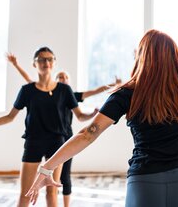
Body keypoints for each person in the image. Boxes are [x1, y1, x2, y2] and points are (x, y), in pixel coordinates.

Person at [25, 0, 178, 207]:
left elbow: (88, 133)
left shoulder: (126, 93)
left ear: (141, 56)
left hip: (144, 179)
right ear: (172, 55)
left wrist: (47, 166)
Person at [0, 47, 98, 207]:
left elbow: (80, 116)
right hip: (34, 142)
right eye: (41, 59)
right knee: (26, 193)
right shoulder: (27, 91)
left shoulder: (65, 90)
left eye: (49, 59)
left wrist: (96, 114)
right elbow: (10, 117)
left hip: (57, 143)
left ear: (54, 62)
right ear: (35, 64)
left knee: (52, 191)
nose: (46, 62)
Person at [6, 53, 121, 207]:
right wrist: (16, 64)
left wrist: (113, 86)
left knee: (63, 179)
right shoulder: (41, 90)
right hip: (45, 140)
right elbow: (29, 80)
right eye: (60, 77)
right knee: (50, 181)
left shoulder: (70, 94)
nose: (62, 79)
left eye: (65, 77)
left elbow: (93, 93)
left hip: (66, 140)